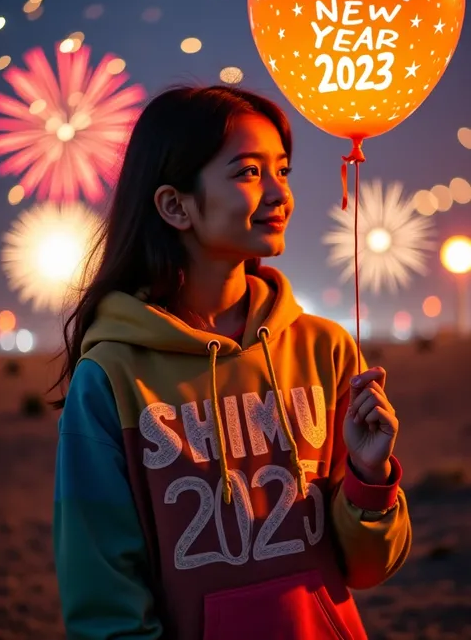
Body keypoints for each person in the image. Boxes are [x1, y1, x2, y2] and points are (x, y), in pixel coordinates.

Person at [52, 85, 412, 640]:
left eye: (283, 171)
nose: (280, 194)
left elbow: (367, 567)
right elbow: (104, 597)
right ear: (175, 206)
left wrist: (369, 477)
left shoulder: (326, 350)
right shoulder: (112, 378)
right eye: (248, 172)